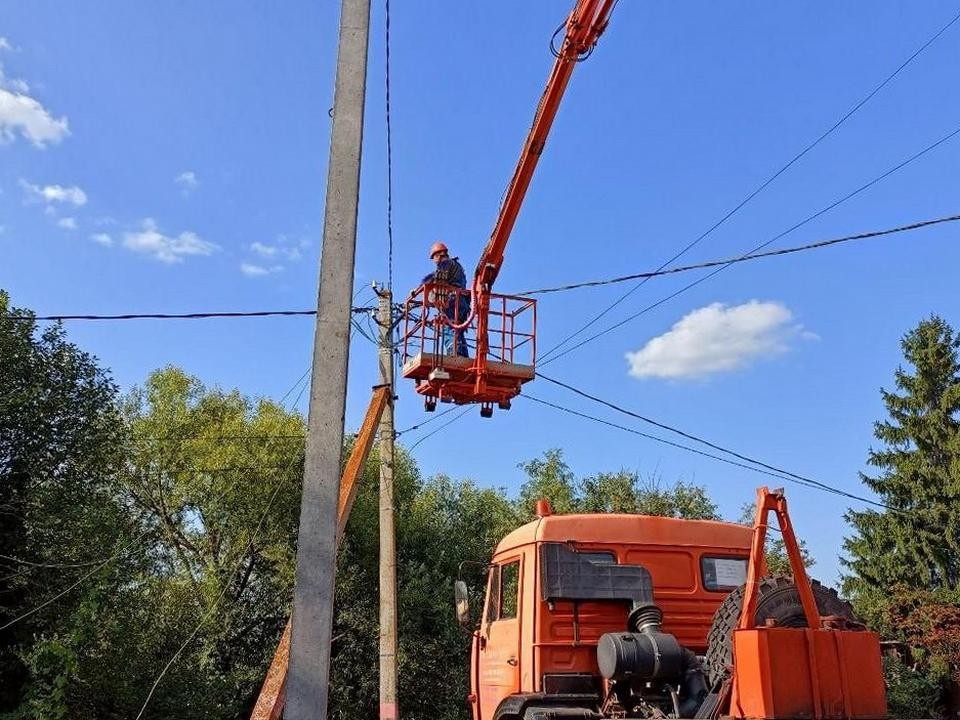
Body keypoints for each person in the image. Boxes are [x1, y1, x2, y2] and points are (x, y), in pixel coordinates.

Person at [421, 241, 470, 357]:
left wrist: (424, 291)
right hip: (462, 302)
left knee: (449, 327)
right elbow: (432, 278)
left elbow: (433, 280)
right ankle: (462, 355)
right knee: (457, 330)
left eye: (434, 258)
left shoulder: (446, 264)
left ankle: (454, 354)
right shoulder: (454, 265)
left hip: (453, 301)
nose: (435, 261)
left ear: (438, 255)